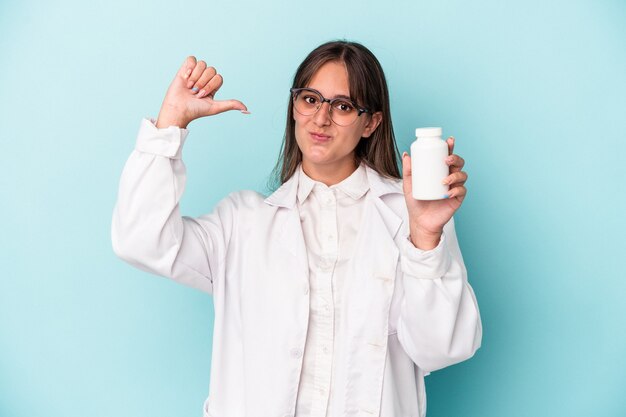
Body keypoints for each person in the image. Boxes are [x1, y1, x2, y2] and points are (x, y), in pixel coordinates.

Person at [112, 40, 482, 417]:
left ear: (371, 122)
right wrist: (169, 125)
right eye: (310, 99)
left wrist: (424, 241)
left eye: (342, 106)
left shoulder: (413, 218)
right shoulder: (242, 224)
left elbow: (442, 348)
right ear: (294, 106)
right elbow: (141, 240)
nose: (321, 119)